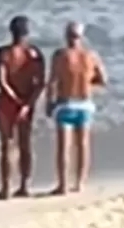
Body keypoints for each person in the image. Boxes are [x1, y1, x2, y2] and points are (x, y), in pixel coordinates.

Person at [46, 21, 107, 195]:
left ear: (66, 36)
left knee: (64, 147)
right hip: (85, 103)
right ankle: (79, 183)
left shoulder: (60, 55)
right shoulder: (91, 56)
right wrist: (87, 82)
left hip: (66, 103)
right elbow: (103, 80)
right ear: (81, 36)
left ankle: (63, 185)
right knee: (83, 145)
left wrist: (49, 103)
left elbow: (52, 81)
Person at [0, 16, 45, 200]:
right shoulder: (35, 54)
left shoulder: (3, 53)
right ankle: (25, 185)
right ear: (27, 32)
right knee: (25, 144)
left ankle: (6, 188)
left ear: (11, 32)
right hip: (27, 100)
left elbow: (2, 81)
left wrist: (15, 101)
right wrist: (27, 104)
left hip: (8, 102)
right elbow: (40, 84)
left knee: (7, 145)